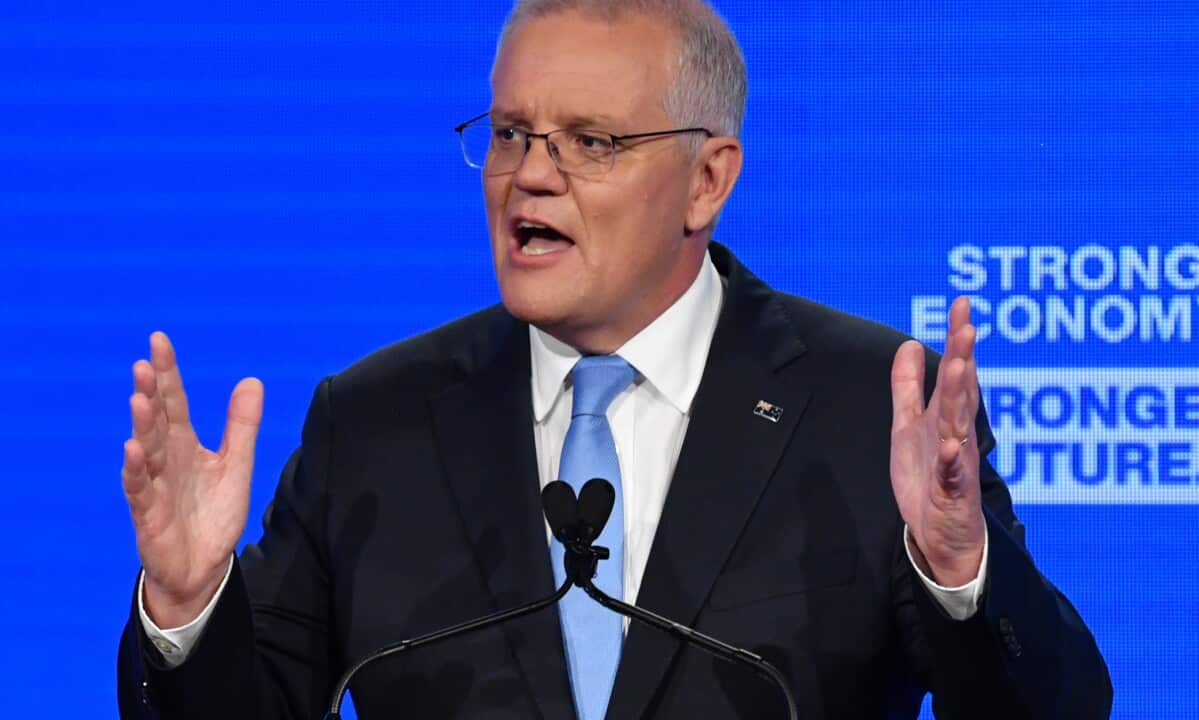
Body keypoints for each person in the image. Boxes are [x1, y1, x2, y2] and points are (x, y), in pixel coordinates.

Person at [117, 1, 1112, 718]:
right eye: (509, 134)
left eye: (590, 142)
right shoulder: (374, 422)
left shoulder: (863, 406)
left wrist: (956, 574)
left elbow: (1052, 710)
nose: (528, 177)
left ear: (706, 180)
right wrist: (188, 605)